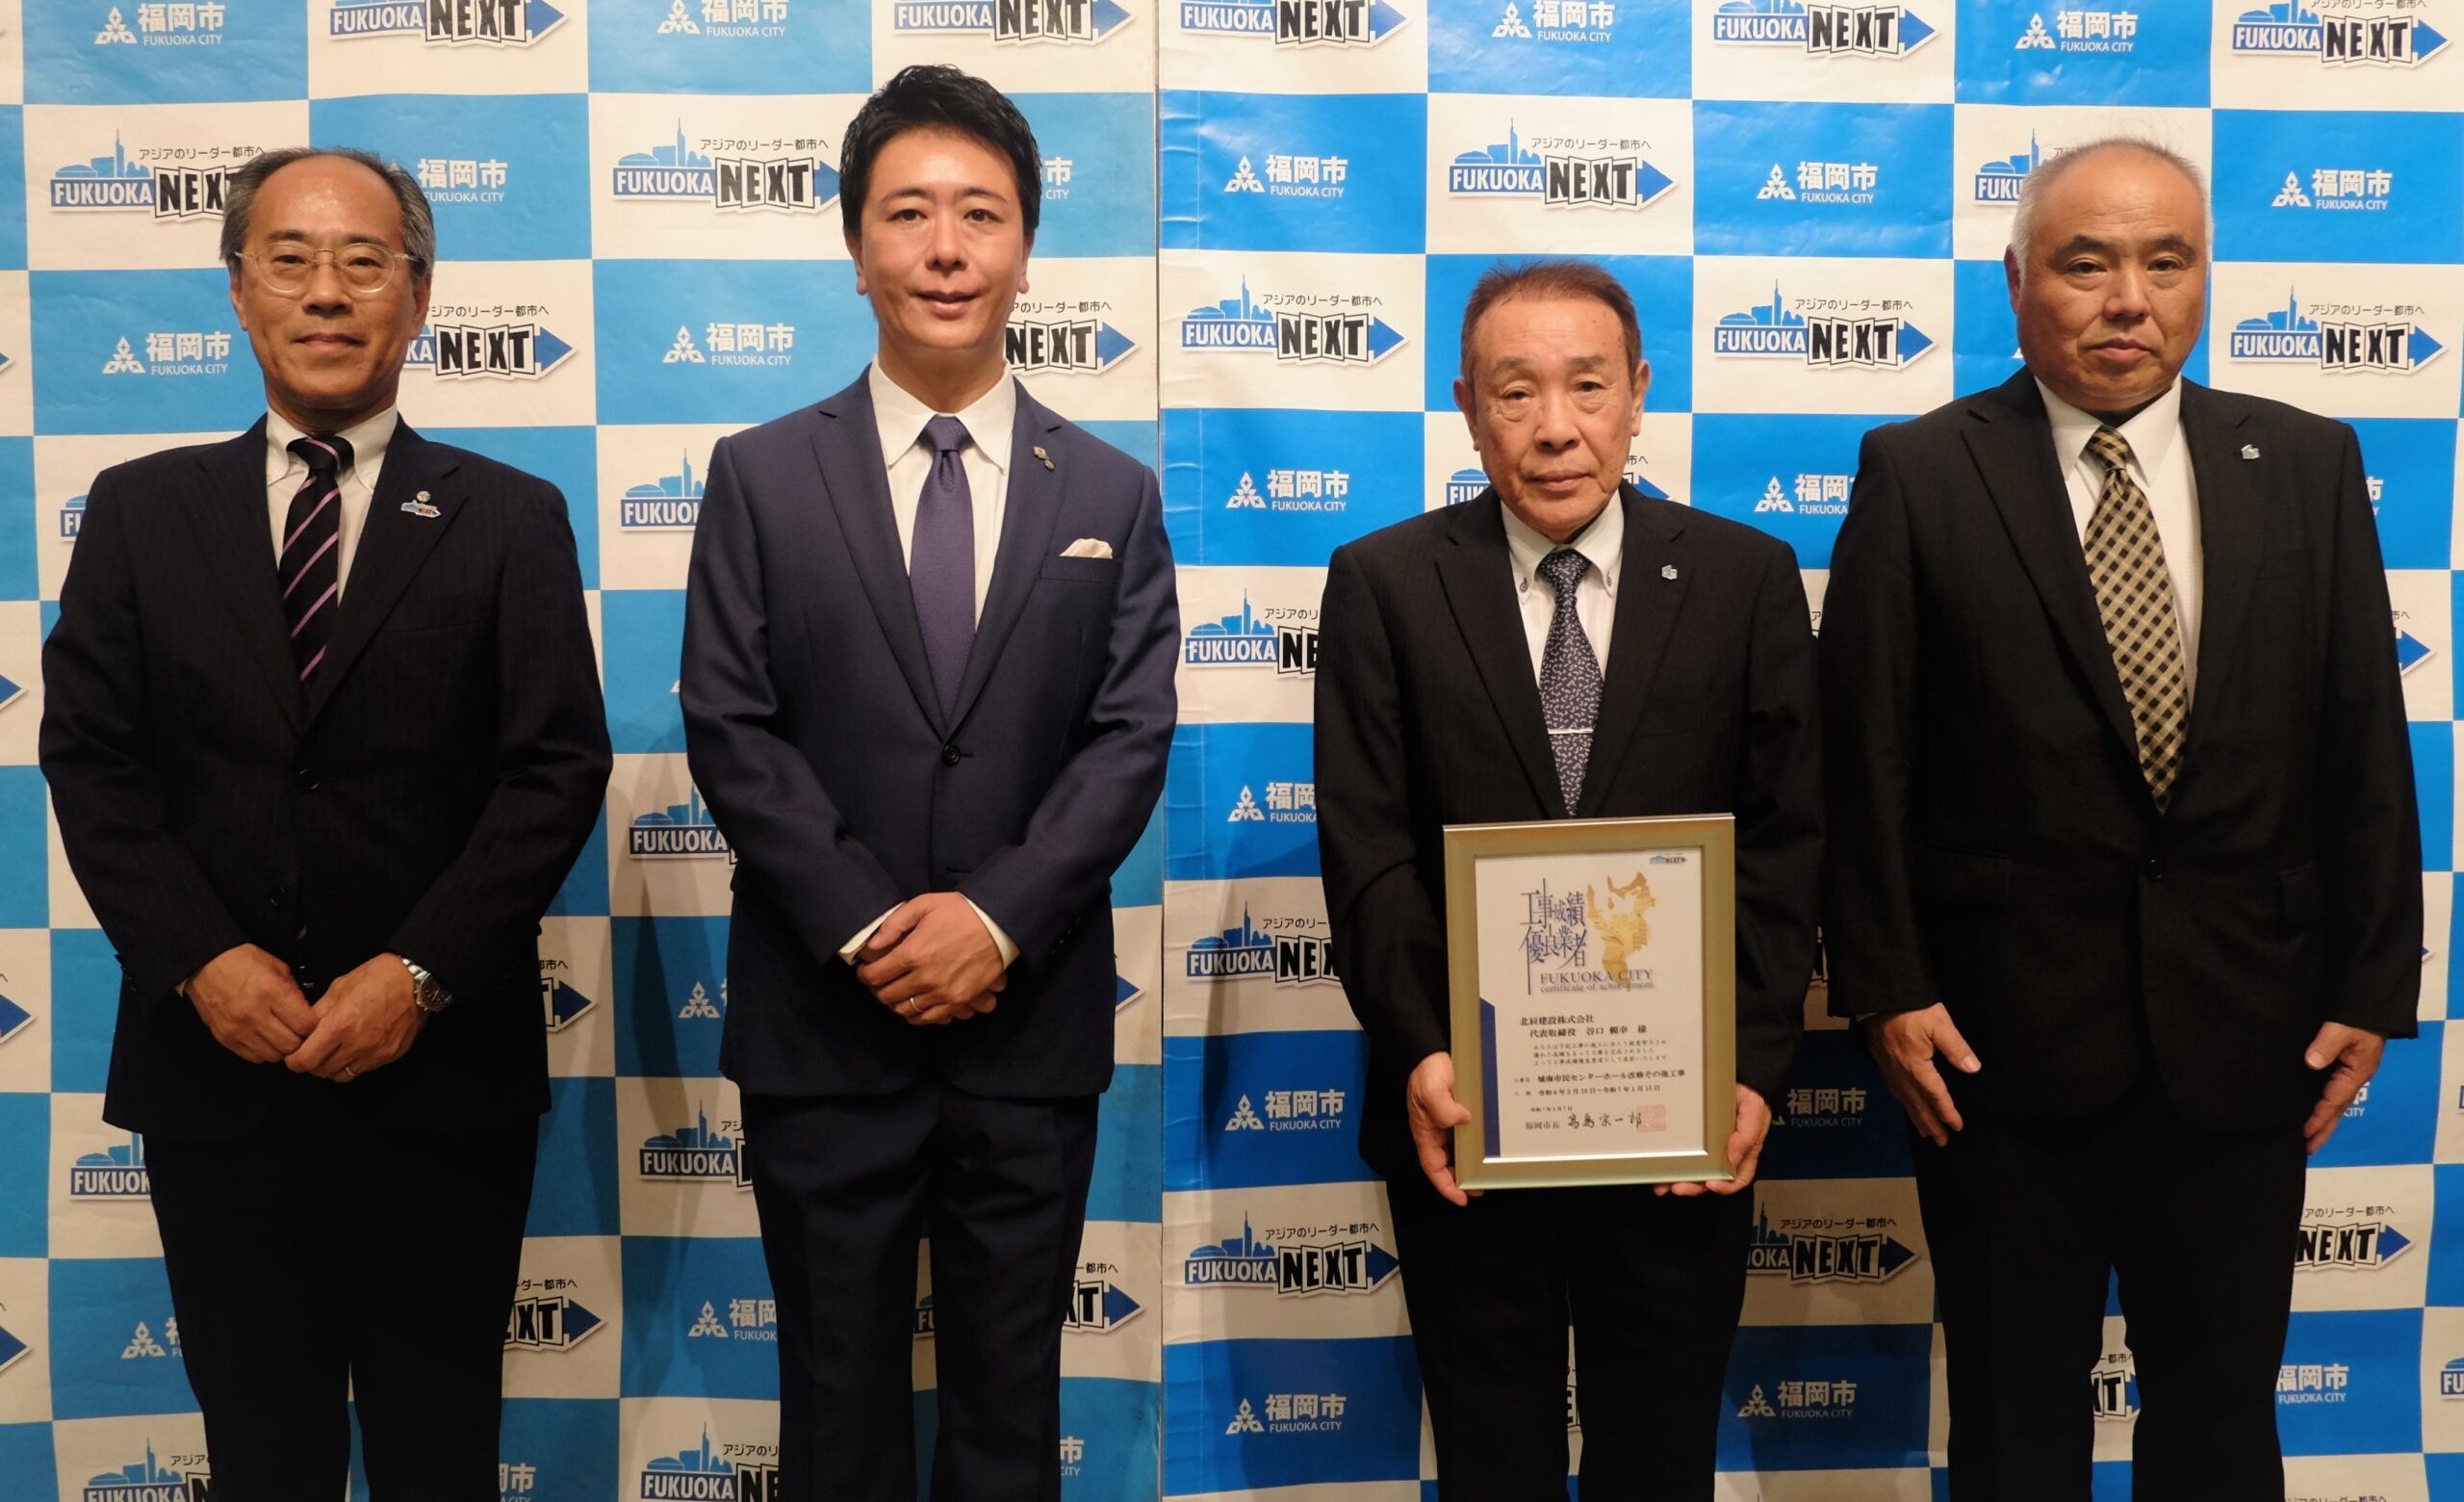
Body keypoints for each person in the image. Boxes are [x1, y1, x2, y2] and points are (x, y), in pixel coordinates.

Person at [1822, 138, 2420, 1496]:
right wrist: (1889, 987)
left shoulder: (2306, 463)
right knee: (2013, 1434)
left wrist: (2372, 985)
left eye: (2166, 262)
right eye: (2086, 264)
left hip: (2247, 1036)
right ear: (2017, 280)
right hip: (1993, 1053)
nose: (2128, 300)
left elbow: (2361, 746)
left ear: (2204, 277)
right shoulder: (1921, 471)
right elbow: (1864, 763)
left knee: (2220, 1431)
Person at [39, 147, 611, 1499]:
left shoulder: (507, 517)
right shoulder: (140, 510)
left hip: (440, 1079)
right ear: (239, 290)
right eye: (290, 260)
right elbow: (93, 764)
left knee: (439, 1452)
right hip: (216, 1075)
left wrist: (418, 973)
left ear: (419, 298)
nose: (327, 292)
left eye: (365, 262)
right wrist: (199, 958)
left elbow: (553, 771)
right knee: (261, 1455)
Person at [679, 64, 1177, 1502]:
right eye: (907, 213)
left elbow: (1127, 738)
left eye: (980, 213)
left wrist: (995, 922)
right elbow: (732, 724)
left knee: (1009, 1419)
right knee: (834, 1418)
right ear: (855, 248)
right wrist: (876, 930)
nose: (945, 248)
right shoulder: (762, 475)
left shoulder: (1111, 491)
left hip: (1029, 1033)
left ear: (1025, 248)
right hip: (823, 1029)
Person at [1314, 258, 1821, 1497]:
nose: (1554, 427)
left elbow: (1787, 843)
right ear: (1466, 406)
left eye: (1587, 386)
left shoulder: (1744, 578)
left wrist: (1747, 1066)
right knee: (1493, 1462)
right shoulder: (1384, 582)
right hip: (1468, 1120)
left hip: (1680, 1124)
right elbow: (1369, 848)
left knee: (1661, 1460)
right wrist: (1426, 1049)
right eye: (1515, 391)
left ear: (1637, 392)